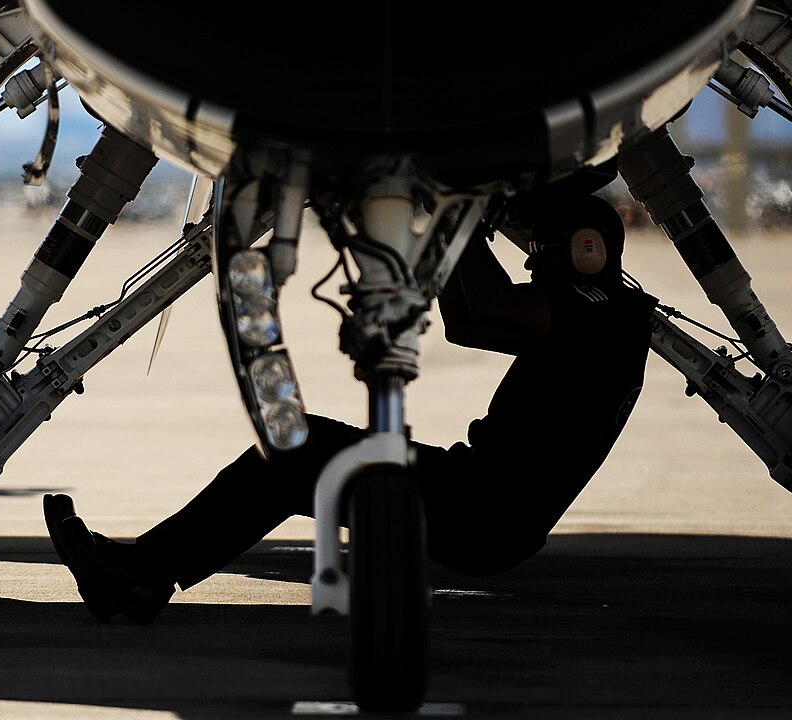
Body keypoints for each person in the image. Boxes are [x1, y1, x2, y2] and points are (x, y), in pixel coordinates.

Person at [45, 173, 659, 625]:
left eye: (542, 253)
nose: (532, 266)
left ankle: (140, 578)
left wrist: (458, 207)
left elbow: (493, 306)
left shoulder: (601, 313)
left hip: (482, 510)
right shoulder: (605, 317)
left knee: (294, 449)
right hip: (479, 503)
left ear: (587, 250)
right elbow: (468, 324)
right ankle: (141, 577)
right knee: (293, 455)